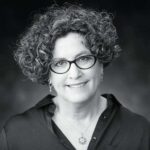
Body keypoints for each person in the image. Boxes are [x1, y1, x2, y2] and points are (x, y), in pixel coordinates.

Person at [0, 4, 150, 150]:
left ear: (101, 64)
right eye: (60, 63)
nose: (74, 74)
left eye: (84, 58)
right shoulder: (16, 134)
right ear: (48, 74)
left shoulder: (140, 130)